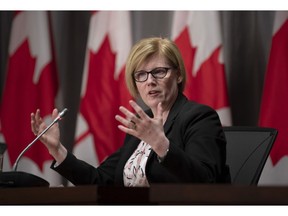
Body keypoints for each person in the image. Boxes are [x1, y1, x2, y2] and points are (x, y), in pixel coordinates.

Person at [31, 37, 231, 186]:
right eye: (141, 75)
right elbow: (101, 181)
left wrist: (161, 144)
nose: (150, 81)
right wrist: (57, 150)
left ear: (178, 75)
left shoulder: (199, 118)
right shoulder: (142, 125)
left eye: (159, 72)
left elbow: (205, 181)